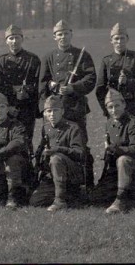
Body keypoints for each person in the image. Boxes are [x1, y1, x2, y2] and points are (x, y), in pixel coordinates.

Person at [38, 20, 96, 189]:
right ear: (54, 36)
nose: (63, 37)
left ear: (71, 34)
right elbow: (42, 85)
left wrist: (73, 87)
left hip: (75, 108)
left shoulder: (82, 55)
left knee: (80, 145)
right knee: (52, 144)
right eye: (59, 34)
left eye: (66, 33)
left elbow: (91, 79)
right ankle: (53, 183)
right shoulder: (48, 57)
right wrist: (45, 107)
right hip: (54, 111)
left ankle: (86, 184)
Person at [91, 89, 135, 214]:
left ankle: (121, 199)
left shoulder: (133, 123)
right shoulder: (109, 123)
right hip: (115, 168)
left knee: (123, 159)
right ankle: (127, 194)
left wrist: (116, 149)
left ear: (124, 105)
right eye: (110, 107)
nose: (114, 110)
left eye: (117, 106)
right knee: (96, 198)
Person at [29, 95, 85, 212]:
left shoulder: (73, 127)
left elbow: (80, 153)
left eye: (56, 111)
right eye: (49, 111)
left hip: (71, 172)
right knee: (35, 201)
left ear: (62, 111)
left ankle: (60, 200)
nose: (52, 114)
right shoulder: (46, 128)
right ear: (44, 113)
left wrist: (58, 149)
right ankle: (70, 195)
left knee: (56, 158)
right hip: (51, 174)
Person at [0, 24, 41, 156]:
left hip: (27, 108)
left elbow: (38, 84)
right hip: (7, 109)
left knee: (26, 140)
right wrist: (8, 107)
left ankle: (28, 173)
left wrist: (26, 91)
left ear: (22, 39)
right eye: (11, 38)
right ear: (6, 41)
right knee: (7, 140)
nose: (14, 41)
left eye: (17, 37)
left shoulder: (33, 59)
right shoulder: (2, 61)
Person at [95, 23, 135, 120]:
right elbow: (100, 89)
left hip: (133, 107)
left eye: (122, 38)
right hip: (114, 108)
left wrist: (128, 82)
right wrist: (106, 109)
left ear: (127, 39)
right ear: (111, 40)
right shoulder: (106, 61)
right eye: (116, 39)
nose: (119, 42)